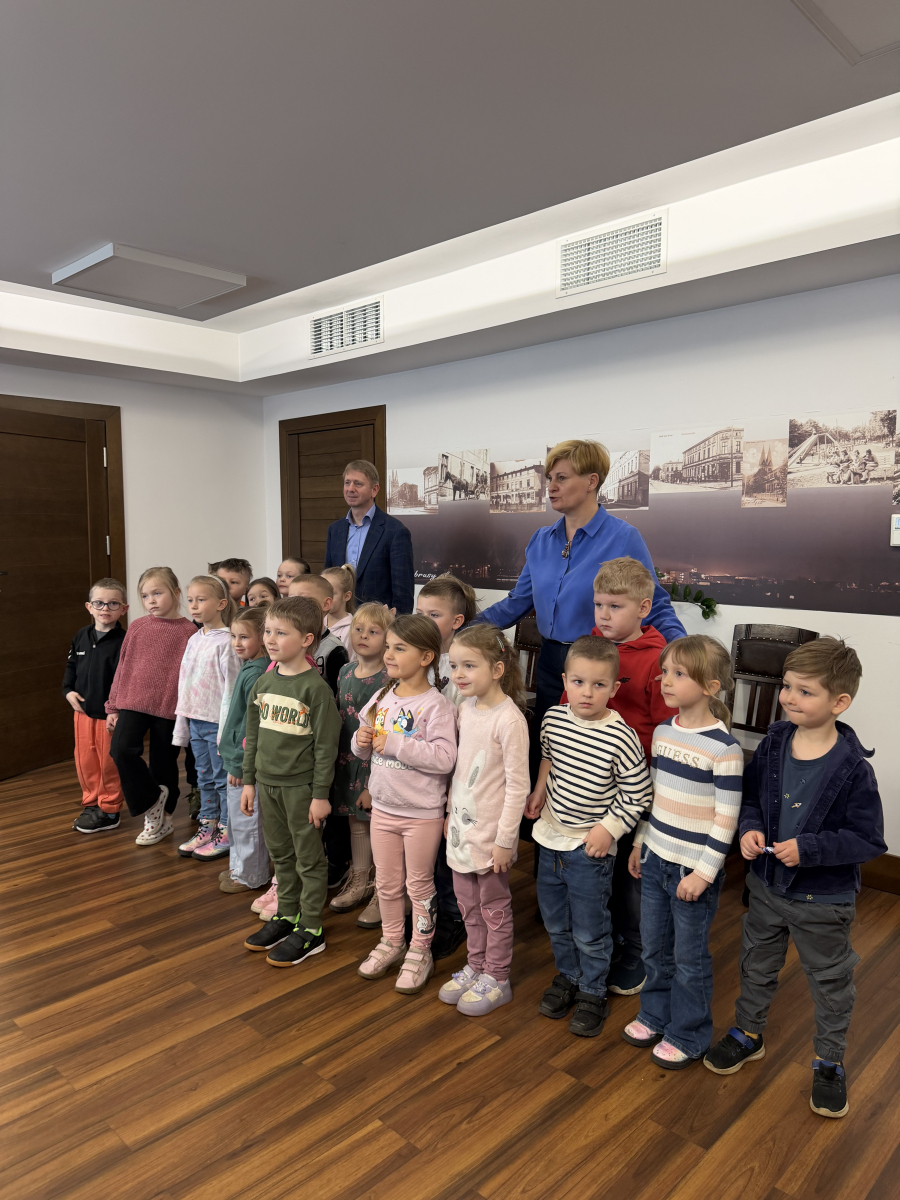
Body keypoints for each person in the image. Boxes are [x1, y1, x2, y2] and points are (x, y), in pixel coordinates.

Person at [704, 638, 885, 1120]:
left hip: (822, 901)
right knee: (755, 965)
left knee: (830, 983)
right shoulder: (774, 742)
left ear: (839, 702)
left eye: (805, 691)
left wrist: (810, 849)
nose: (788, 697)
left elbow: (868, 840)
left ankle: (829, 1061)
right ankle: (749, 1033)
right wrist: (749, 828)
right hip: (765, 888)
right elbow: (751, 800)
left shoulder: (854, 770)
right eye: (787, 687)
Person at [476, 439, 684, 783]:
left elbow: (655, 604)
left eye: (561, 478)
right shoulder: (540, 540)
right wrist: (463, 628)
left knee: (593, 763)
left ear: (591, 481)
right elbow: (517, 602)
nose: (551, 487)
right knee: (550, 753)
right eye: (550, 479)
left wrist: (681, 656)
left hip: (600, 664)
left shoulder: (623, 537)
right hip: (551, 663)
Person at [623, 635, 743, 1069]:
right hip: (655, 858)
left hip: (692, 870)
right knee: (653, 948)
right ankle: (655, 1015)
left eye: (678, 673)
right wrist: (640, 841)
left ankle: (689, 1034)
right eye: (665, 671)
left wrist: (704, 873)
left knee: (688, 958)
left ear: (711, 687)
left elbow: (726, 820)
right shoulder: (663, 733)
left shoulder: (724, 750)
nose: (666, 680)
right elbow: (654, 795)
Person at [525, 635, 652, 1037]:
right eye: (578, 682)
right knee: (556, 922)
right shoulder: (553, 718)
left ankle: (593, 991)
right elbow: (548, 758)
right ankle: (570, 975)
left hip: (589, 849)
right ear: (565, 681)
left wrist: (608, 829)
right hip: (550, 839)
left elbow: (638, 793)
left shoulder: (622, 736)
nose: (587, 692)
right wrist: (539, 790)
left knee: (590, 928)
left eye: (599, 685)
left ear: (614, 688)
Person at [561, 557, 671, 997]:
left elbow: (664, 728)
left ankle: (637, 948)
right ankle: (598, 937)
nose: (604, 615)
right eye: (599, 605)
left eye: (615, 606)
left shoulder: (657, 659)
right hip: (585, 780)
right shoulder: (587, 648)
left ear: (643, 608)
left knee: (629, 870)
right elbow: (566, 707)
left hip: (631, 784)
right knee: (593, 865)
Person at [353, 616, 458, 994]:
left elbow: (445, 758)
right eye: (389, 647)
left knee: (419, 885)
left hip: (421, 815)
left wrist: (396, 743)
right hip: (383, 809)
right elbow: (363, 747)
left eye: (400, 648)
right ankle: (393, 940)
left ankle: (420, 950)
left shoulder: (437, 706)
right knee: (386, 882)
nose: (389, 654)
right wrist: (360, 741)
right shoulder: (382, 697)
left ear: (426, 657)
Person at [240, 597, 341, 966]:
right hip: (267, 786)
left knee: (308, 859)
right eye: (268, 631)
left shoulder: (316, 690)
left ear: (306, 640)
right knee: (281, 854)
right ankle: (287, 915)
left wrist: (320, 795)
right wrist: (249, 781)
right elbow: (253, 736)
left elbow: (326, 749)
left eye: (281, 633)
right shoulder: (264, 682)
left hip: (301, 790)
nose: (270, 639)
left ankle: (311, 928)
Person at [439, 625, 529, 1016]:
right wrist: (449, 813)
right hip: (462, 832)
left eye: (469, 666)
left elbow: (518, 788)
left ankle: (497, 976)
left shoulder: (509, 721)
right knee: (468, 907)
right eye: (454, 665)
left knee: (493, 909)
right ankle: (476, 965)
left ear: (496, 669)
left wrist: (506, 841)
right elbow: (460, 771)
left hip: (492, 839)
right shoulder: (465, 709)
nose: (458, 674)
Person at [106, 568, 197, 845]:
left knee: (164, 764)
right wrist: (113, 706)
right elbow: (123, 666)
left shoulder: (189, 632)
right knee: (121, 750)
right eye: (145, 596)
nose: (151, 600)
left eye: (157, 593)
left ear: (176, 593)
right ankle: (152, 801)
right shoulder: (138, 626)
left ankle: (162, 821)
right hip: (133, 702)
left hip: (170, 707)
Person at [415, 573, 480, 958]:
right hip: (422, 770)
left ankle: (454, 917)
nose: (423, 620)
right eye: (419, 612)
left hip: (454, 770)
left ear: (456, 621)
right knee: (427, 851)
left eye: (433, 614)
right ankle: (429, 908)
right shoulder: (420, 656)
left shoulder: (461, 665)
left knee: (449, 852)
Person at [328, 603, 392, 923]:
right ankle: (360, 879)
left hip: (373, 761)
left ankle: (382, 887)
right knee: (355, 821)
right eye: (358, 629)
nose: (363, 636)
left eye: (373, 631)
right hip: (346, 756)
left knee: (376, 823)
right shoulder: (345, 671)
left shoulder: (389, 678)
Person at [170, 576, 241, 862]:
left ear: (221, 604)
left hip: (216, 723)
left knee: (223, 779)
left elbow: (231, 688)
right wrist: (183, 722)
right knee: (203, 777)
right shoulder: (194, 639)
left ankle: (226, 830)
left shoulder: (227, 641)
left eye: (201, 600)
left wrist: (226, 729)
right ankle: (208, 825)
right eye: (191, 600)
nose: (194, 606)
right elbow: (184, 682)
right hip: (196, 720)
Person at [63, 577, 128, 834]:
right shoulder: (81, 636)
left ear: (124, 609)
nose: (105, 608)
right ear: (89, 607)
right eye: (99, 603)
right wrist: (68, 691)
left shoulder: (125, 641)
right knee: (86, 761)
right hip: (82, 713)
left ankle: (110, 809)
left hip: (109, 715)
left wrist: (117, 708)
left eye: (113, 603)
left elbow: (126, 679)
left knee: (108, 763)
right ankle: (91, 803)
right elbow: (71, 666)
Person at [217, 606, 272, 894]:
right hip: (237, 760)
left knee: (246, 821)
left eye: (244, 637)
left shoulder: (257, 672)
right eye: (233, 636)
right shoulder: (251, 666)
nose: (237, 643)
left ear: (262, 638)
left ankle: (251, 874)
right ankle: (240, 867)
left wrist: (240, 764)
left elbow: (251, 727)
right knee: (238, 820)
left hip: (243, 765)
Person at [323, 459, 414, 614]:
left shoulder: (395, 531)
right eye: (347, 483)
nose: (350, 489)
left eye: (358, 484)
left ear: (374, 490)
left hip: (377, 624)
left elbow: (403, 594)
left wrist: (397, 626)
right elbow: (327, 582)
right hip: (339, 621)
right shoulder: (335, 530)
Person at [287, 574, 349, 694]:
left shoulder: (334, 649)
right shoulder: (284, 640)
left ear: (326, 604)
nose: (295, 605)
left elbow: (338, 694)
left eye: (304, 599)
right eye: (292, 598)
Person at [322, 563, 357, 648]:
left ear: (346, 596)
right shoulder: (316, 622)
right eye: (321, 592)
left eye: (331, 593)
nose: (325, 598)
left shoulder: (352, 629)